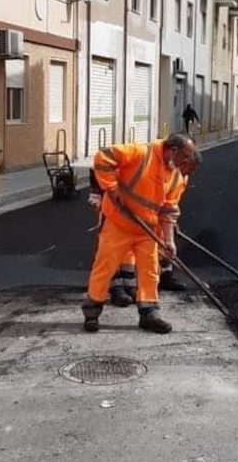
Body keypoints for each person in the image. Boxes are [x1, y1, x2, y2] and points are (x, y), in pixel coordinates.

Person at [83, 133, 198, 334]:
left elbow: (169, 211)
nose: (187, 161)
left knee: (150, 271)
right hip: (119, 224)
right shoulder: (141, 153)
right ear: (173, 150)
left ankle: (149, 313)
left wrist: (169, 241)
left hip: (147, 230)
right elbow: (103, 157)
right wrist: (111, 189)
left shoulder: (177, 176)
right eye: (186, 156)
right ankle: (92, 312)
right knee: (105, 267)